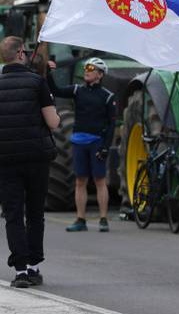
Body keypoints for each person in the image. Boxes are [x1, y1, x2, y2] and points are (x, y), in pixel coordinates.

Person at [0, 36, 59, 288]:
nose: (27, 54)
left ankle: (19, 271)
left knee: (13, 214)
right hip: (36, 157)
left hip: (6, 160)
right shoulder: (36, 82)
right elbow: (53, 122)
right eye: (25, 51)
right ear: (19, 54)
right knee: (35, 212)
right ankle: (33, 266)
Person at [47, 57, 117, 233]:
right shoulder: (78, 90)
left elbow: (111, 126)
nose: (86, 71)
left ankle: (103, 219)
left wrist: (105, 147)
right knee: (80, 181)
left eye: (91, 69)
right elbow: (55, 90)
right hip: (79, 141)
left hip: (96, 142)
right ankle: (80, 219)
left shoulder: (108, 97)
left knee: (100, 180)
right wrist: (49, 72)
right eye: (86, 68)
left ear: (100, 74)